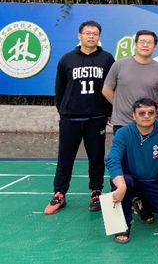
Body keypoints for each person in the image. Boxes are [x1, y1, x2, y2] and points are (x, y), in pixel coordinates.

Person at [44, 21, 115, 215]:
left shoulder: (107, 59)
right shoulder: (67, 59)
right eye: (87, 33)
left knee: (96, 157)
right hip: (71, 118)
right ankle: (60, 193)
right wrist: (63, 110)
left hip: (96, 117)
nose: (91, 36)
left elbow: (112, 86)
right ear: (79, 35)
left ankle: (96, 192)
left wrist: (108, 111)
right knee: (65, 157)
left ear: (99, 37)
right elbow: (60, 88)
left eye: (95, 34)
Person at [105, 98, 158, 244]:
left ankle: (141, 203)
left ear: (156, 115)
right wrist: (121, 186)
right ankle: (122, 226)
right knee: (125, 183)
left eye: (150, 113)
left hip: (153, 180)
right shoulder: (123, 133)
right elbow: (112, 159)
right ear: (134, 116)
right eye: (141, 113)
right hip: (129, 180)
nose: (146, 116)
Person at [102, 30, 158, 133]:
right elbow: (106, 90)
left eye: (149, 42)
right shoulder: (119, 64)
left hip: (148, 123)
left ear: (155, 46)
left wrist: (150, 109)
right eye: (142, 41)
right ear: (135, 44)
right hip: (122, 123)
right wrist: (119, 105)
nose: (145, 45)